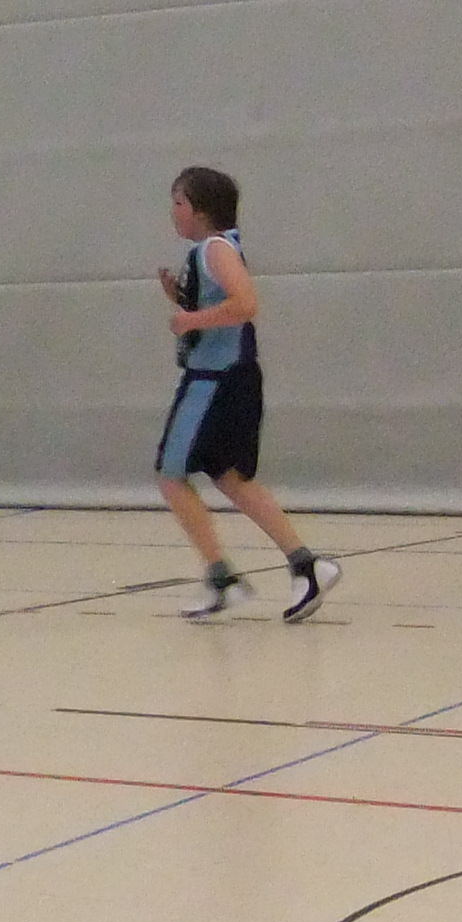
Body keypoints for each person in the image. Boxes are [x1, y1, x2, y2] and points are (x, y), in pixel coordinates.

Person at [154, 167, 338, 620]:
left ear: (200, 210)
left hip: (213, 381)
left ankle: (222, 578)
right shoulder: (216, 249)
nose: (172, 211)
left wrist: (189, 320)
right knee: (231, 478)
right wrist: (182, 299)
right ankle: (306, 565)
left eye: (178, 202)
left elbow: (245, 304)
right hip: (232, 377)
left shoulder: (214, 249)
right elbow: (223, 306)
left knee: (170, 474)